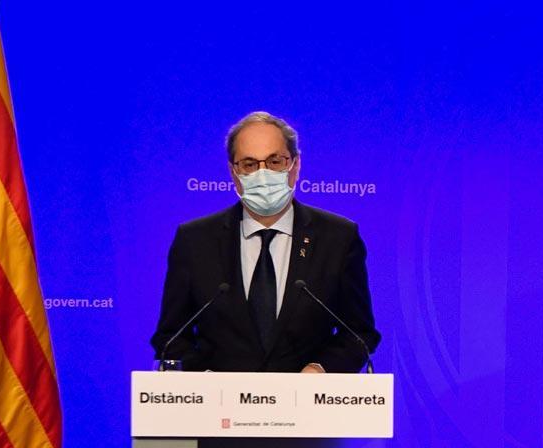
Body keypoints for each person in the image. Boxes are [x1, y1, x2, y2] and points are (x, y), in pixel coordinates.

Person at [151, 111, 379, 372]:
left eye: (274, 161)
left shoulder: (338, 238)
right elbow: (170, 337)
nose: (263, 174)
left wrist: (320, 370)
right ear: (233, 172)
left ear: (295, 164)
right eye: (249, 164)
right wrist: (207, 383)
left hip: (307, 407)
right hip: (218, 409)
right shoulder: (194, 240)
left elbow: (359, 334)